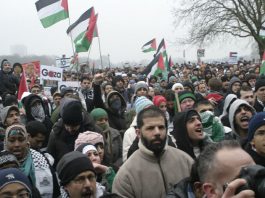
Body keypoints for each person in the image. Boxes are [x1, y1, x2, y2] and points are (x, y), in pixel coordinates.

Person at [112, 106, 194, 197]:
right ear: (138, 133)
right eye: (150, 128)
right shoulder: (127, 174)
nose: (157, 132)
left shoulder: (185, 161)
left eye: (161, 127)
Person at [4, 124, 60, 197]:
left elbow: (56, 193)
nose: (17, 144)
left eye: (21, 140)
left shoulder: (42, 161)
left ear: (27, 141)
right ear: (6, 142)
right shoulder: (2, 162)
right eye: (12, 140)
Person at [47, 98, 100, 166]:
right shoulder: (56, 134)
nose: (69, 129)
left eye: (73, 126)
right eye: (67, 125)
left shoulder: (93, 132)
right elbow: (50, 159)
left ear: (80, 123)